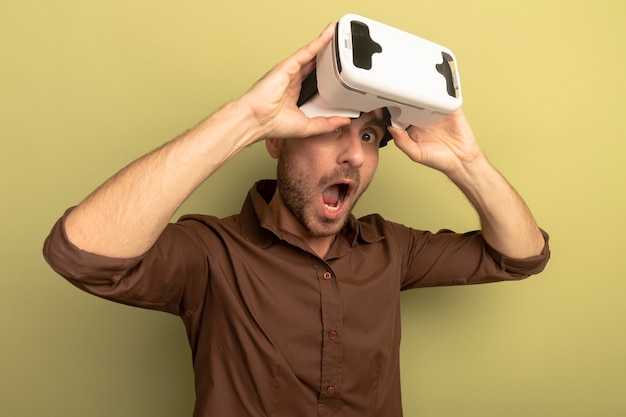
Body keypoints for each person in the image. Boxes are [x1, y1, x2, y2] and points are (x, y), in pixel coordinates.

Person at [43, 23, 550, 417]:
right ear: (277, 140)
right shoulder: (210, 253)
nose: (355, 155)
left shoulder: (394, 249)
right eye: (333, 127)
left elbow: (522, 255)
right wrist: (246, 118)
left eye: (370, 137)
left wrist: (467, 164)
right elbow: (82, 255)